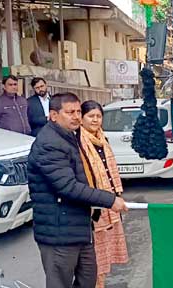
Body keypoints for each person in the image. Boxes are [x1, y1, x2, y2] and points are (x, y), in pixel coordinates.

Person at [27, 92, 128, 288]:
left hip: (80, 228)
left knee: (88, 278)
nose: (75, 116)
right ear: (54, 115)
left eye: (78, 111)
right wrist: (110, 200)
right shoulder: (49, 144)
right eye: (69, 112)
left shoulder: (70, 137)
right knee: (60, 283)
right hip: (59, 233)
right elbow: (68, 187)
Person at [79, 100, 129, 288]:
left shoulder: (102, 138)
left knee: (105, 254)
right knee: (95, 256)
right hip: (94, 205)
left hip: (110, 202)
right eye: (91, 116)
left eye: (98, 116)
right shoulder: (79, 141)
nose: (95, 120)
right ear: (82, 118)